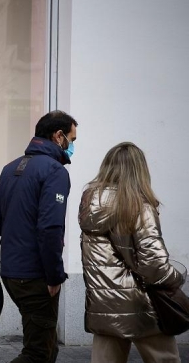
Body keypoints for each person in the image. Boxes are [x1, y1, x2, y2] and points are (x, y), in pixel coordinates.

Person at [0, 110, 78, 362]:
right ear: (58, 136)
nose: (73, 146)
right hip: (36, 277)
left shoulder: (10, 169)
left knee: (47, 346)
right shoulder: (55, 172)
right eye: (72, 139)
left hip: (12, 274)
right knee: (37, 353)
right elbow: (50, 228)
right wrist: (54, 275)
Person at [79, 142, 184, 363]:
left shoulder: (90, 204)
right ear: (139, 170)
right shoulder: (138, 204)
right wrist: (177, 277)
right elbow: (154, 266)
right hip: (143, 306)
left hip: (104, 305)